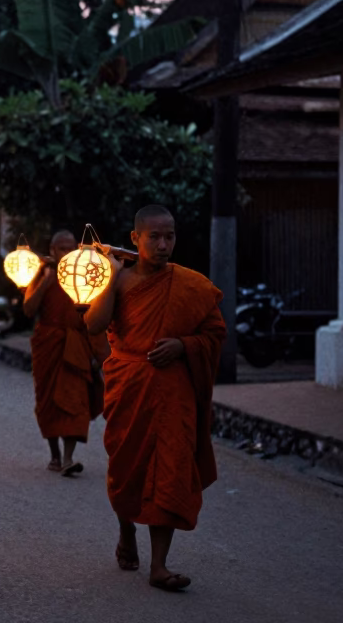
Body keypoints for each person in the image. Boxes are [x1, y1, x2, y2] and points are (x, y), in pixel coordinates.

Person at [83, 205, 226, 592]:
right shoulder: (121, 280)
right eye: (154, 237)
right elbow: (93, 324)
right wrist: (111, 276)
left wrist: (184, 345)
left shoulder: (191, 285)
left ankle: (159, 565)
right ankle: (126, 530)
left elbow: (214, 333)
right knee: (128, 466)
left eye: (170, 236)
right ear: (135, 238)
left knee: (170, 469)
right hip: (129, 383)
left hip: (173, 390)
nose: (164, 245)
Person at [22, 230, 110, 476]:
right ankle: (55, 455)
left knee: (76, 402)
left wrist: (96, 353)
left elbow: (94, 318)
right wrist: (47, 282)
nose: (67, 254)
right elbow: (28, 309)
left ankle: (69, 458)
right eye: (62, 249)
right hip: (49, 344)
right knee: (48, 401)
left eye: (72, 248)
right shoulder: (41, 274)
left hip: (76, 347)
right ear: (52, 251)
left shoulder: (84, 276)